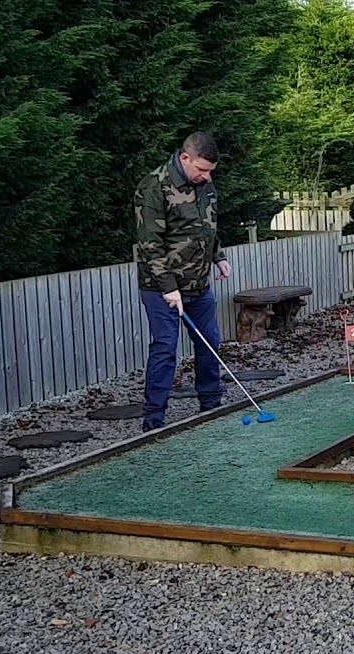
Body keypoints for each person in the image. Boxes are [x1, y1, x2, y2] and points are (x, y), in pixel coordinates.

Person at [133, 132, 232, 431]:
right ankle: (154, 418)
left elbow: (207, 226)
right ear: (184, 157)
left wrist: (219, 256)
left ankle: (211, 403)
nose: (205, 177)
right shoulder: (154, 186)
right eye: (201, 170)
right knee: (165, 347)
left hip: (199, 284)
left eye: (210, 172)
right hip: (160, 287)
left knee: (210, 342)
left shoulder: (205, 184)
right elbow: (149, 243)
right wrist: (169, 288)